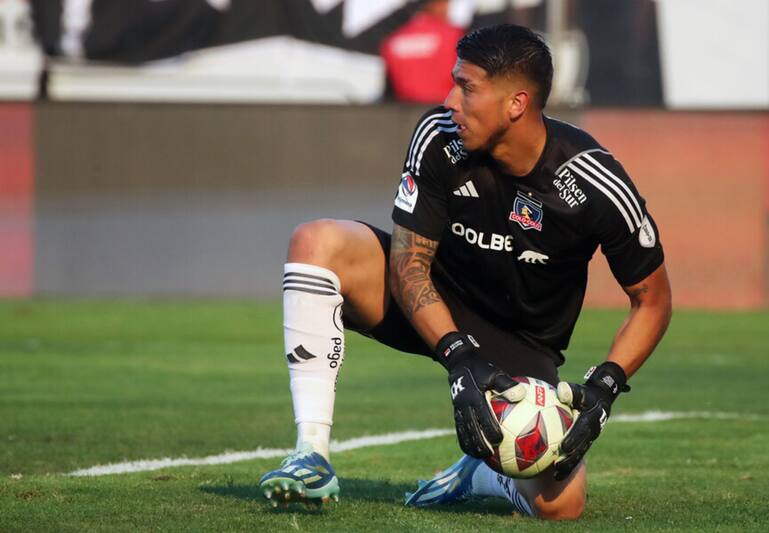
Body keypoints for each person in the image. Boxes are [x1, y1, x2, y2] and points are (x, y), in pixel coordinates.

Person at [258, 24, 672, 520]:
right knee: (316, 241)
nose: (450, 100)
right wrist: (458, 357)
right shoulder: (439, 137)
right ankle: (311, 454)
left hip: (521, 345)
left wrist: (605, 388)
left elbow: (653, 300)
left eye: (467, 87)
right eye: (453, 82)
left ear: (515, 104)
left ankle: (482, 474)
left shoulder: (594, 182)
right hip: (430, 300)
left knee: (562, 506)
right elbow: (409, 265)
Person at [380, 0, 464, 103]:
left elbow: (390, 90)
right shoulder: (454, 35)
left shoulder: (392, 41)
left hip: (406, 113)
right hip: (445, 111)